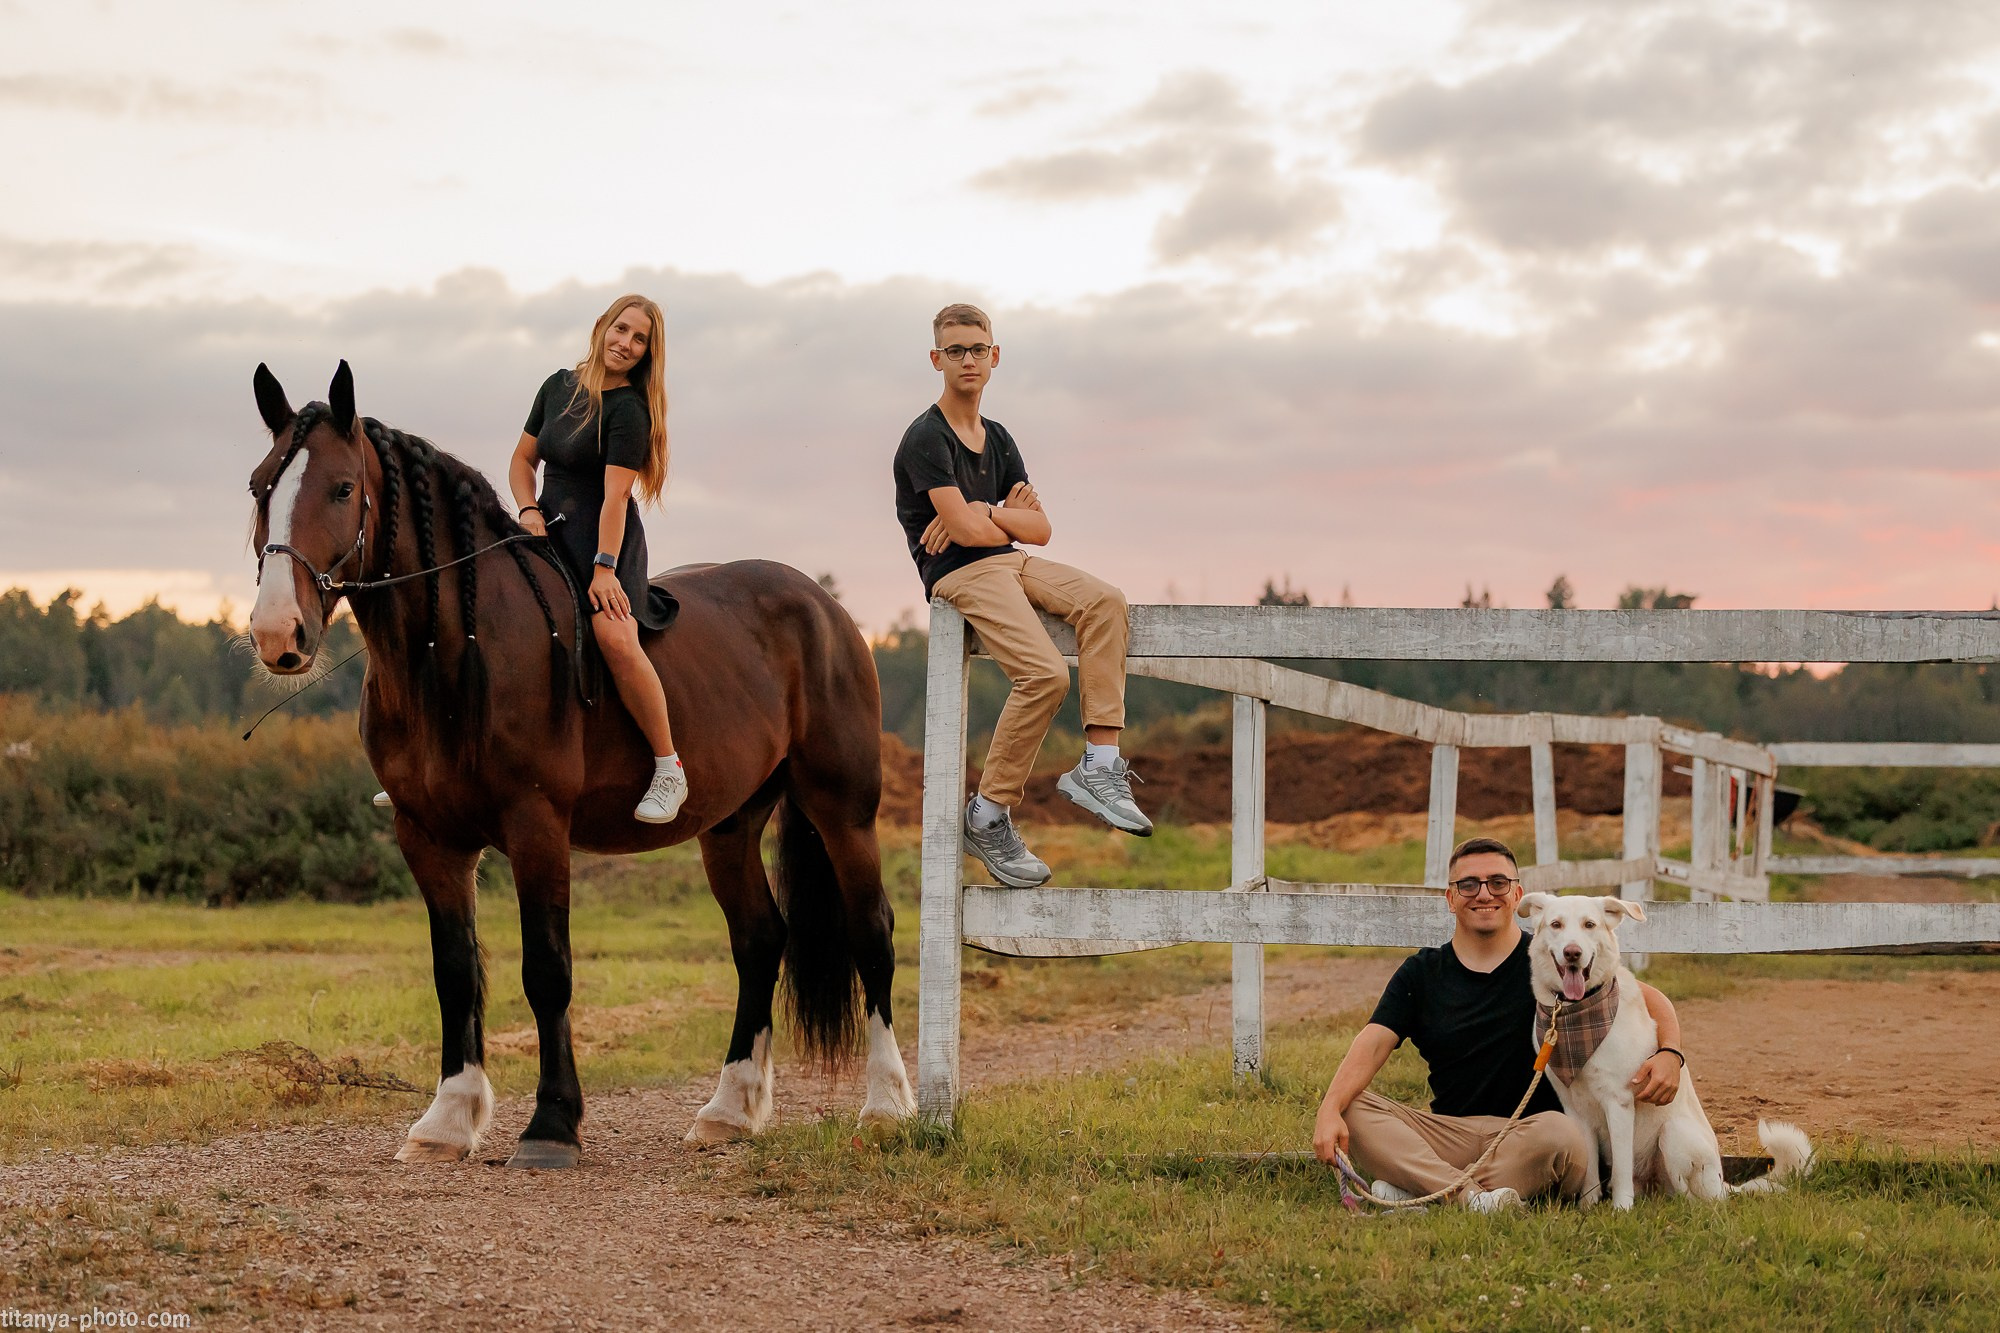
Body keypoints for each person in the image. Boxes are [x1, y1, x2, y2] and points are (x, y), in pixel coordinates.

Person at [891, 303, 1151, 888]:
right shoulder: (925, 438)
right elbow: (964, 535)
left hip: (1010, 562)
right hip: (960, 574)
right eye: (955, 350)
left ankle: (1100, 765)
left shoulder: (1000, 438)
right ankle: (987, 815)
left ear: (995, 356)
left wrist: (982, 511)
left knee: (1106, 601)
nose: (968, 359)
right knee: (1044, 675)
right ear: (936, 359)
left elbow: (1041, 529)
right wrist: (990, 518)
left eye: (977, 349)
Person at [1311, 837, 1687, 1211]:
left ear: (1517, 895)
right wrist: (1329, 1107)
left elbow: (1648, 998)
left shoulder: (1550, 962)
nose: (1484, 894)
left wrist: (1670, 1052)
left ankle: (1422, 1185)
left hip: (1532, 1136)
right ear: (1451, 898)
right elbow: (1373, 1043)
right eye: (1468, 884)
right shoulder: (1421, 973)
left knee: (1562, 1133)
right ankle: (1472, 1198)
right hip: (1449, 1134)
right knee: (1351, 1107)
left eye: (1498, 883)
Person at [507, 293, 687, 824]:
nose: (626, 344)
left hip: (603, 539)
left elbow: (616, 498)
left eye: (640, 339)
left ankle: (669, 767)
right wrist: (527, 510)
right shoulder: (557, 386)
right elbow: (522, 460)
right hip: (545, 529)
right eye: (621, 329)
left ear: (648, 353)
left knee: (613, 634)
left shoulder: (629, 410)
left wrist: (605, 567)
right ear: (602, 326)